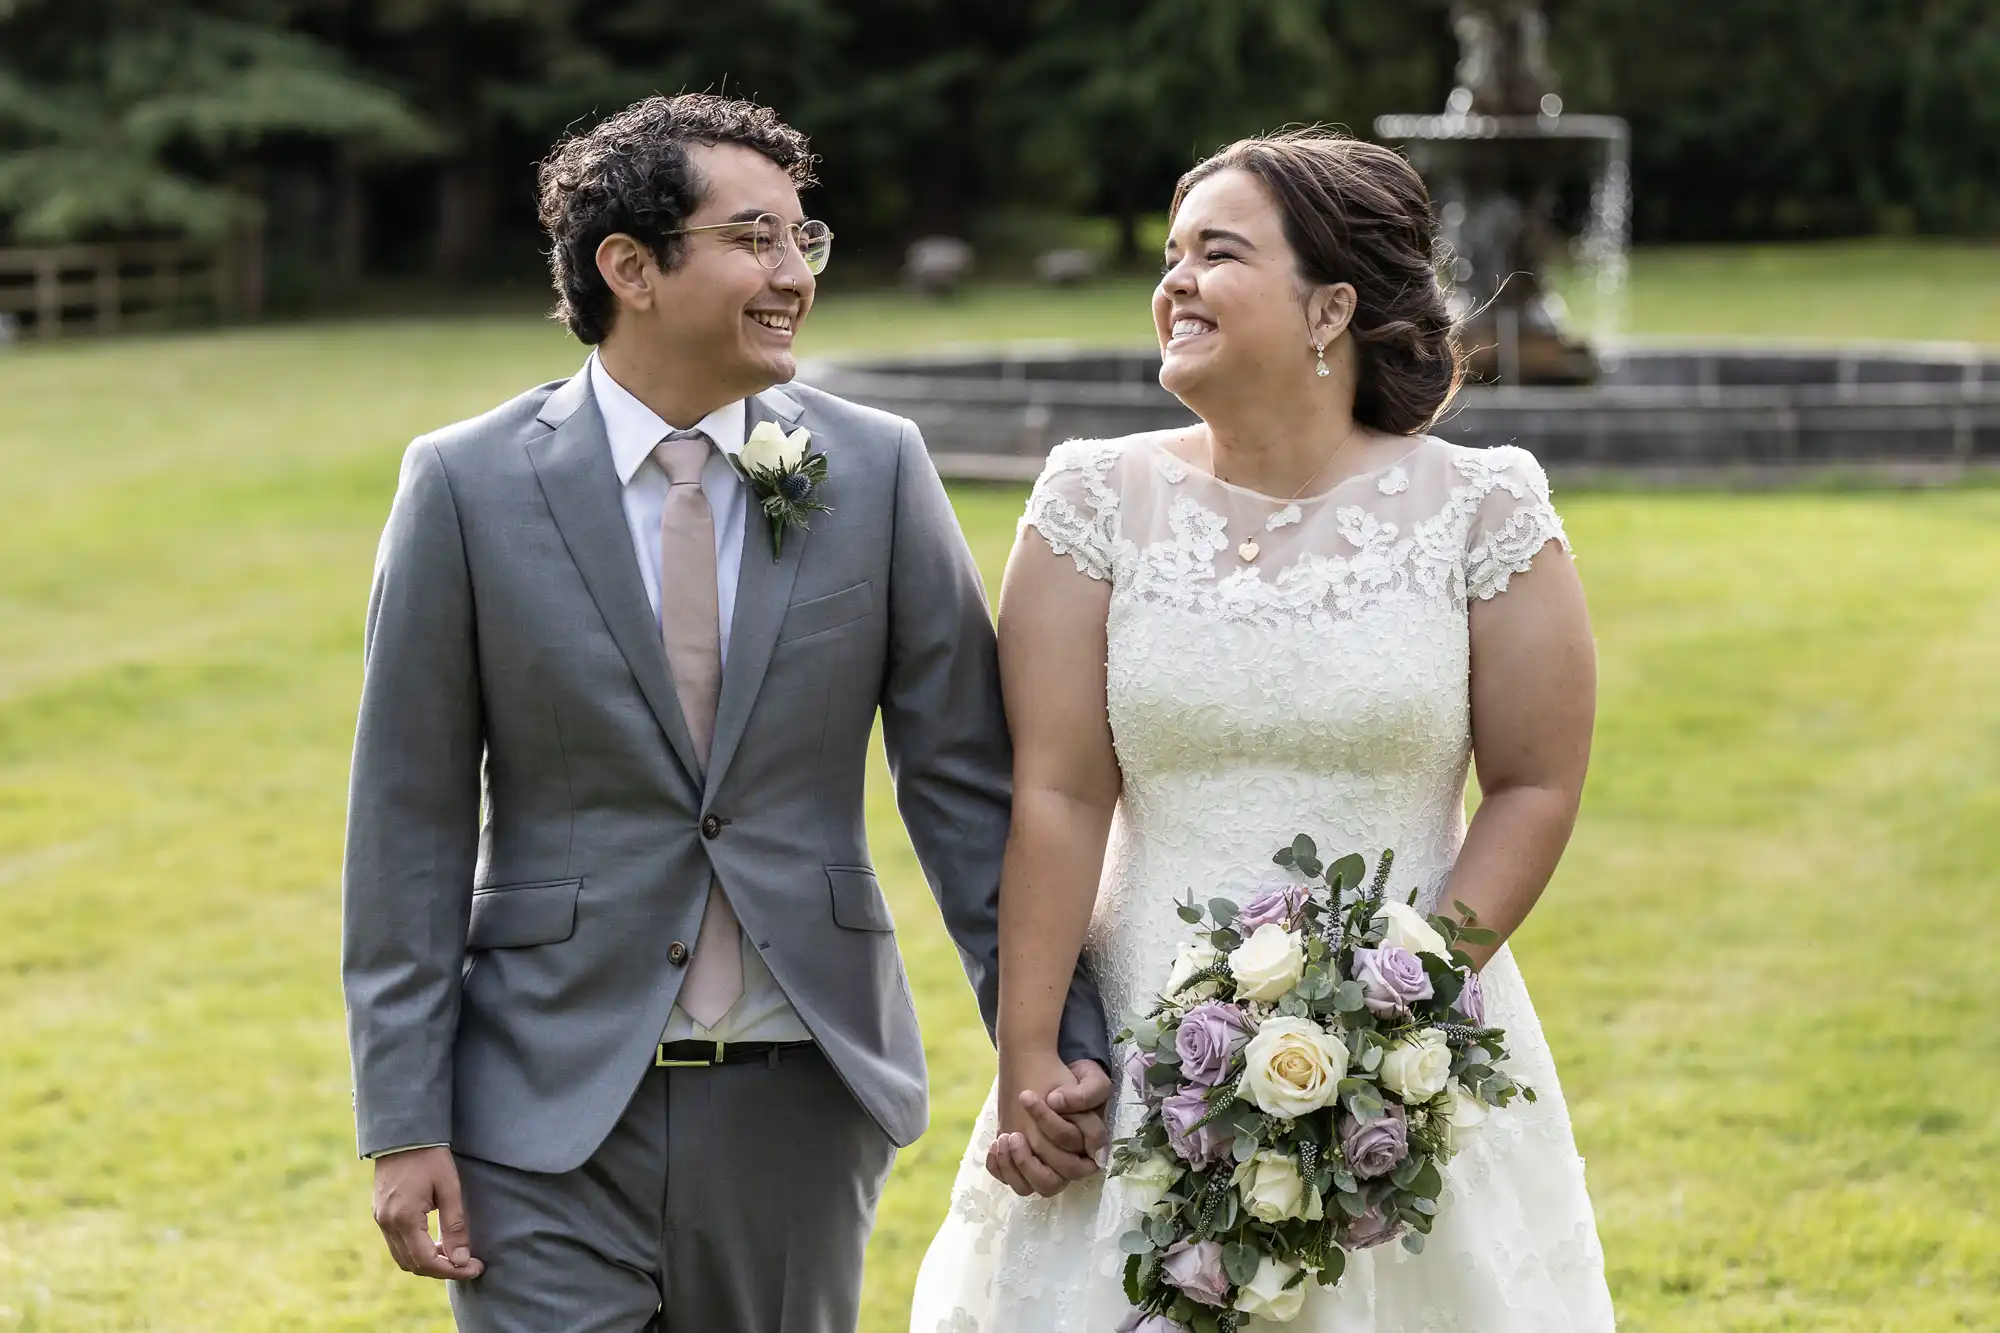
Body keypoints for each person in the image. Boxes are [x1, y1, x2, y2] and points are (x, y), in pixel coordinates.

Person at [339, 92, 1112, 1333]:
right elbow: (408, 821)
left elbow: (966, 791)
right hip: (540, 1103)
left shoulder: (875, 468)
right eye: (753, 238)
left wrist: (1055, 1046)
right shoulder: (465, 485)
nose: (791, 274)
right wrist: (404, 1118)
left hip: (798, 1095)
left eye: (803, 239)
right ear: (629, 268)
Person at [910, 128, 1616, 1331]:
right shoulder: (1090, 499)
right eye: (1171, 253)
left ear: (1327, 305)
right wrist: (1029, 1048)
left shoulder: (1481, 505)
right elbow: (1058, 797)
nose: (1171, 281)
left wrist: (1395, 1006)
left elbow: (1535, 784)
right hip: (1137, 1040)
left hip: (1414, 1039)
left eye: (1215, 253)